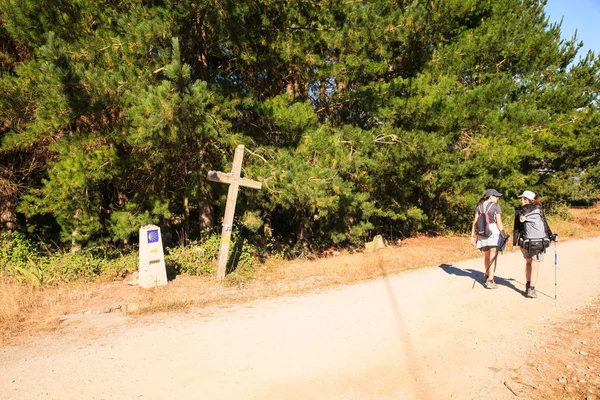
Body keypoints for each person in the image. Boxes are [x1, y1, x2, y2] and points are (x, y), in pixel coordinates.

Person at [512, 190, 556, 298]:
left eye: (522, 198)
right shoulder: (539, 210)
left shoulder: (520, 211)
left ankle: (528, 284)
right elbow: (545, 224)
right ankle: (531, 290)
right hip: (539, 242)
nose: (521, 200)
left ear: (527, 199)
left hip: (525, 242)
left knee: (528, 263)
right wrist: (551, 236)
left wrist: (514, 244)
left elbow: (516, 228)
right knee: (535, 265)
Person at [470, 188, 508, 289]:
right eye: (496, 196)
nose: (497, 198)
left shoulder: (479, 207)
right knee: (493, 256)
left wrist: (472, 236)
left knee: (487, 256)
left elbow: (475, 222)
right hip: (493, 232)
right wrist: (504, 235)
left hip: (482, 233)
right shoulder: (496, 206)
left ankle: (487, 275)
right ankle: (490, 280)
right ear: (490, 196)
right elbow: (499, 222)